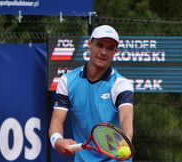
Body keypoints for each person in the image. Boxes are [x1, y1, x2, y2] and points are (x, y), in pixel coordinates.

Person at [49, 25, 134, 162]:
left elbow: (126, 119)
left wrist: (126, 141)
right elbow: (56, 122)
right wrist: (57, 140)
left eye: (110, 48)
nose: (103, 52)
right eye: (99, 45)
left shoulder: (121, 84)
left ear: (115, 51)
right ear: (89, 44)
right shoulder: (67, 81)